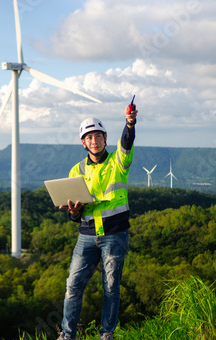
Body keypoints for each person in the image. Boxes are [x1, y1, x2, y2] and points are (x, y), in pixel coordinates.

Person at [57, 102, 138, 340]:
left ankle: (106, 334)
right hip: (87, 236)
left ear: (105, 139)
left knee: (111, 287)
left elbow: (127, 142)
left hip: (114, 234)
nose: (94, 141)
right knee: (73, 286)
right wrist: (73, 212)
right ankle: (67, 335)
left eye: (98, 136)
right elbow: (75, 215)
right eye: (89, 137)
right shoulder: (76, 170)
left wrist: (130, 123)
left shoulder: (118, 163)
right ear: (83, 142)